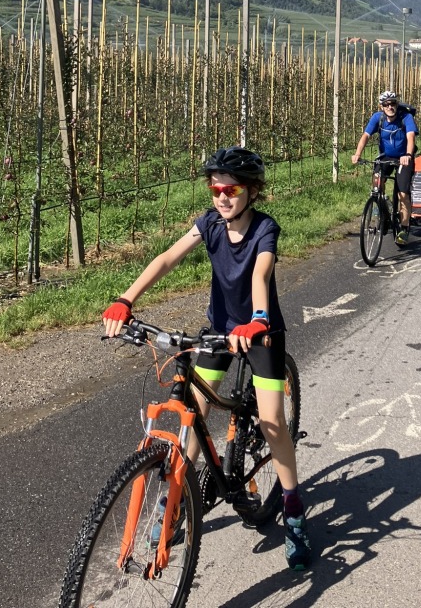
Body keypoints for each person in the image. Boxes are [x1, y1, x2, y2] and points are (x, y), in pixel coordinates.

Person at [101, 146, 312, 572]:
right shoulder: (210, 225)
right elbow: (166, 258)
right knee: (193, 412)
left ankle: (292, 511)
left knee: (272, 422)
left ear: (252, 191)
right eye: (215, 189)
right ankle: (176, 499)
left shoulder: (264, 229)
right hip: (218, 332)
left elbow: (260, 273)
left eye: (231, 189)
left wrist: (256, 319)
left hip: (259, 334)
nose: (221, 197)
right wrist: (126, 298)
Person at [351, 89, 417, 245]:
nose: (390, 107)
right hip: (385, 157)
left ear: (397, 104)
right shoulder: (377, 118)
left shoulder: (405, 117)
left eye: (393, 103)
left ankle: (404, 228)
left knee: (402, 194)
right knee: (376, 181)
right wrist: (357, 153)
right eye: (386, 104)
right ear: (382, 106)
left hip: (403, 158)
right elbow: (366, 136)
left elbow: (410, 136)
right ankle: (379, 209)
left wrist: (408, 155)